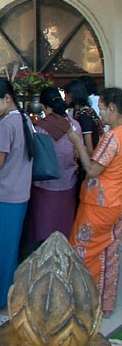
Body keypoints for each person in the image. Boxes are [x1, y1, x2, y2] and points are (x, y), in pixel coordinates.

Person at [0, 76, 33, 311]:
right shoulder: (24, 119)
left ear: (7, 98)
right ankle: (5, 292)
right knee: (8, 247)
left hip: (6, 193)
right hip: (20, 191)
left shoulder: (7, 125)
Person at [68, 87, 122, 318]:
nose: (100, 114)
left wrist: (77, 141)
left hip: (99, 204)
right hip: (115, 202)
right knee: (110, 253)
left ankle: (83, 305)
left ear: (112, 108)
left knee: (83, 252)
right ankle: (105, 305)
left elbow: (91, 170)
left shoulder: (112, 137)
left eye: (101, 108)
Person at [28, 87, 82, 250]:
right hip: (69, 184)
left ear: (44, 107)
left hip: (45, 187)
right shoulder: (75, 125)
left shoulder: (41, 128)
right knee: (65, 230)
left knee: (44, 232)